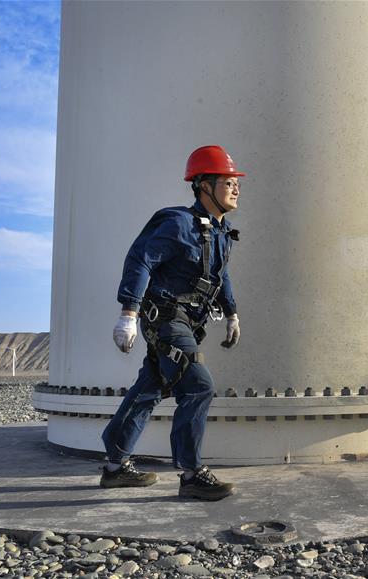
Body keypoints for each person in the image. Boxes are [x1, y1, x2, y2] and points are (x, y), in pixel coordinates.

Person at [100, 145, 244, 501]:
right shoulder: (177, 222)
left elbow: (220, 276)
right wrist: (128, 314)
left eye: (236, 182)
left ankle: (115, 468)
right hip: (165, 319)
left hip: (188, 321)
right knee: (198, 384)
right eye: (228, 181)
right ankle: (192, 473)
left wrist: (231, 313)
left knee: (148, 389)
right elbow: (141, 258)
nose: (236, 188)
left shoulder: (221, 233)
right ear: (203, 186)